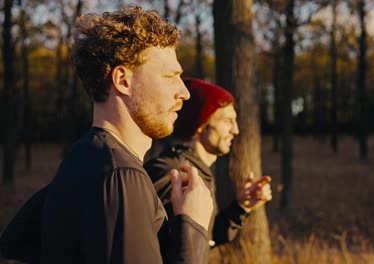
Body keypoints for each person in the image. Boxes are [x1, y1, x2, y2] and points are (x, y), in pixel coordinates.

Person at [0, 6, 213, 264]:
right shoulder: (121, 176)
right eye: (170, 77)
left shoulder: (83, 158)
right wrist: (194, 229)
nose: (184, 93)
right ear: (123, 80)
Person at [144, 78, 273, 255]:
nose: (235, 130)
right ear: (201, 125)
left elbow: (201, 238)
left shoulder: (198, 170)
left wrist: (241, 207)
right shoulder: (172, 172)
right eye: (227, 121)